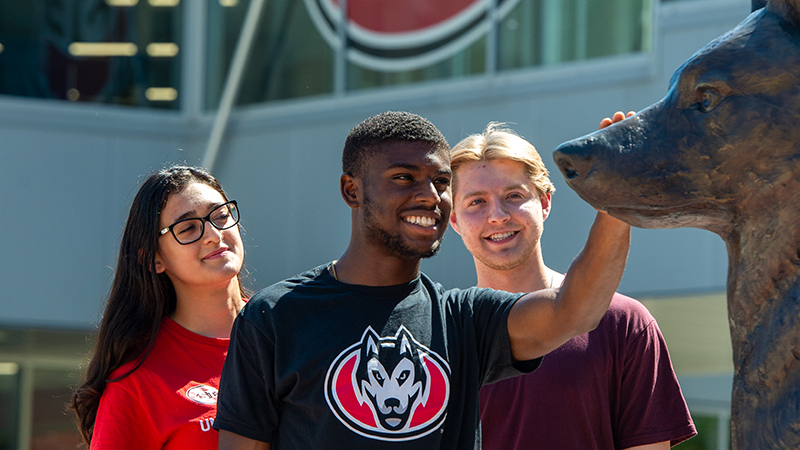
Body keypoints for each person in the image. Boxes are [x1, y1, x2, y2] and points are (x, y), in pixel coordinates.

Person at [214, 111, 631, 450]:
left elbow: (573, 310)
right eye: (404, 177)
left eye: (441, 181)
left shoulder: (463, 318)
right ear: (351, 190)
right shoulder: (274, 315)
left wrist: (618, 196)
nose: (430, 194)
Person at [448, 116, 697, 450]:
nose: (498, 215)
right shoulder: (439, 335)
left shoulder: (623, 322)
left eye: (513, 195)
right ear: (454, 219)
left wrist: (617, 191)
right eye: (476, 201)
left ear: (545, 202)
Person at [71, 165, 247, 449]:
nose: (214, 234)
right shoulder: (137, 383)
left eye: (221, 215)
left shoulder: (287, 333)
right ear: (153, 259)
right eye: (189, 228)